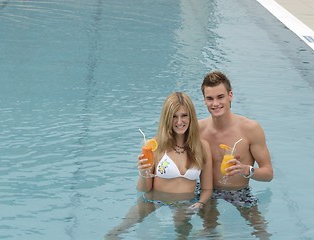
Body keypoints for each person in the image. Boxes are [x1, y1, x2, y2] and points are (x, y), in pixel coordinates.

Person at [106, 92, 213, 239]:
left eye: (184, 115)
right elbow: (144, 189)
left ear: (191, 117)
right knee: (116, 233)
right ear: (167, 118)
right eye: (174, 116)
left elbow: (207, 188)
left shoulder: (202, 147)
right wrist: (143, 172)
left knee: (188, 235)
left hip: (185, 205)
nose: (179, 121)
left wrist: (200, 203)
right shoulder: (154, 146)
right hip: (153, 201)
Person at [198, 70, 274, 238]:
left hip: (240, 192)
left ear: (230, 95)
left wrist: (248, 170)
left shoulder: (250, 129)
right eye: (210, 98)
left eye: (220, 97)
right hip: (207, 191)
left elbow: (268, 174)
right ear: (204, 100)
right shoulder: (198, 130)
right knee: (206, 233)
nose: (215, 103)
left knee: (262, 233)